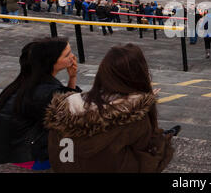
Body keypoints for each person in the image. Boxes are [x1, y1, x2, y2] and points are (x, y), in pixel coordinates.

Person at [44, 44, 176, 172]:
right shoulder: (134, 116)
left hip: (66, 167)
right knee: (160, 147)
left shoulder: (65, 109)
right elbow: (147, 153)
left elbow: (57, 153)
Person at [0, 38, 81, 170]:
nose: (73, 57)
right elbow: (73, 113)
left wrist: (72, 78)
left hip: (9, 153)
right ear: (51, 62)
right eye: (67, 54)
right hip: (31, 158)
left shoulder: (21, 84)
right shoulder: (46, 92)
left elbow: (66, 102)